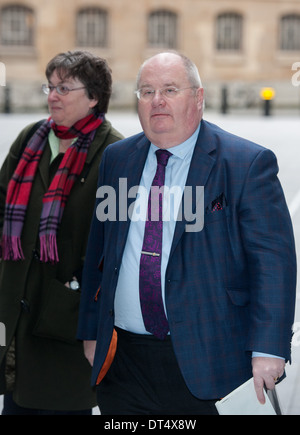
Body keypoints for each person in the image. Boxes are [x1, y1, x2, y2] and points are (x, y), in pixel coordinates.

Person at [77, 52, 297, 415]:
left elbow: (273, 265)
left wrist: (268, 349)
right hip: (123, 363)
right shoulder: (118, 159)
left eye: (170, 89)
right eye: (146, 91)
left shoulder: (245, 164)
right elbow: (100, 252)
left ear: (198, 98)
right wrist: (90, 331)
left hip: (208, 360)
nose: (157, 101)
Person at [0, 50, 124, 415]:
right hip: (15, 308)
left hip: (66, 317)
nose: (53, 95)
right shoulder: (31, 138)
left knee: (61, 403)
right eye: (50, 86)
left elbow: (114, 244)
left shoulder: (115, 152)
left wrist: (81, 297)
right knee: (15, 401)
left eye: (65, 88)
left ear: (94, 97)